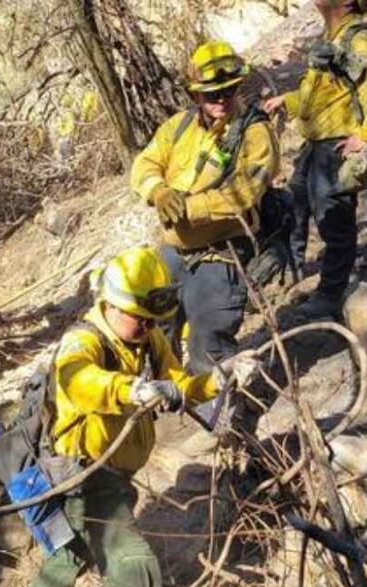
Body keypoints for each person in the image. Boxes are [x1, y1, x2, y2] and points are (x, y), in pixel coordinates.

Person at [18, 247, 255, 587]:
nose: (147, 327)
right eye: (139, 319)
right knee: (132, 562)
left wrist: (221, 377)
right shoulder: (82, 342)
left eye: (153, 320)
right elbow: (79, 381)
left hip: (116, 472)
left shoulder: (148, 340)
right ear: (110, 305)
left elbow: (180, 385)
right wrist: (133, 390)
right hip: (83, 475)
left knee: (78, 546)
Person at [130, 40, 282, 375]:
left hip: (220, 255)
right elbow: (145, 163)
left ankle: (219, 404)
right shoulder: (179, 127)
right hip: (172, 253)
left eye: (229, 91)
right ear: (194, 95)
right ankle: (169, 393)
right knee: (155, 334)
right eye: (212, 94)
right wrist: (158, 191)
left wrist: (188, 209)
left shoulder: (255, 133)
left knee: (208, 349)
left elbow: (245, 193)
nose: (222, 100)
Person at [262, 0, 367, 320]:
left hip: (336, 145)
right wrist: (288, 100)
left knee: (334, 219)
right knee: (294, 202)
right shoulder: (332, 36)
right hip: (315, 143)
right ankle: (292, 275)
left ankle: (331, 295)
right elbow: (321, 96)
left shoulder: (359, 39)